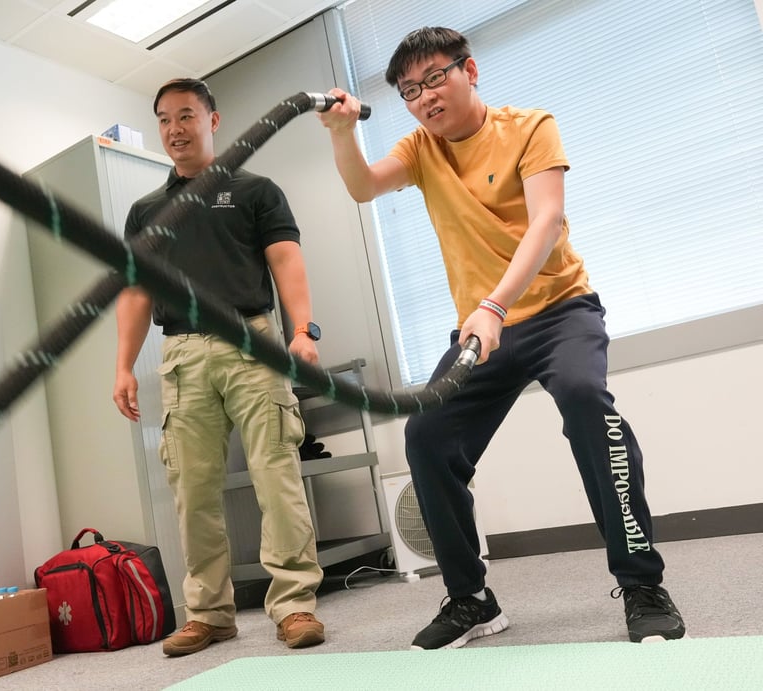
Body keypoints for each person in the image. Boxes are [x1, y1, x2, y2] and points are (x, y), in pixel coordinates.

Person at [317, 27, 685, 650]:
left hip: (559, 311)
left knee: (583, 397)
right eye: (410, 90)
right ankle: (471, 599)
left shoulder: (529, 125)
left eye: (435, 78)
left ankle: (642, 583)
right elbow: (362, 186)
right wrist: (342, 132)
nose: (425, 97)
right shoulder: (420, 149)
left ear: (470, 70)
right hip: (484, 331)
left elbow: (547, 220)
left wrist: (492, 303)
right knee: (427, 437)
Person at [113, 78, 326, 657]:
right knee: (192, 489)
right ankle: (209, 613)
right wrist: (124, 366)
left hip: (254, 342)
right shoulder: (146, 211)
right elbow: (135, 292)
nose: (175, 128)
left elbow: (287, 262)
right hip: (181, 353)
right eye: (164, 119)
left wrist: (302, 332)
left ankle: (295, 604)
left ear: (213, 121)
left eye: (186, 115)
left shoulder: (257, 191)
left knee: (276, 476)